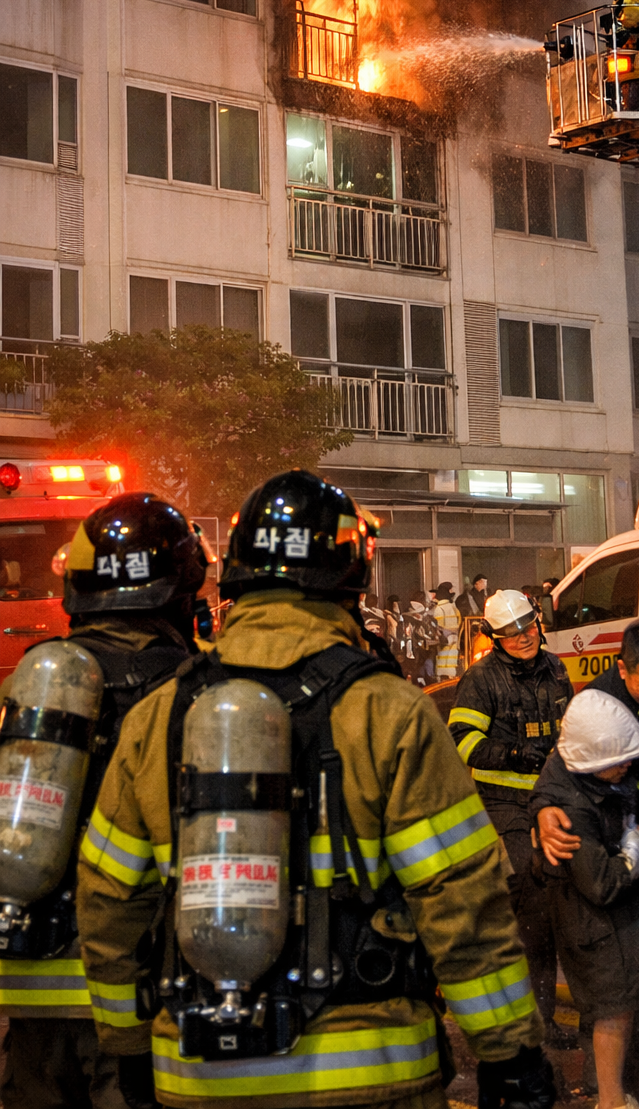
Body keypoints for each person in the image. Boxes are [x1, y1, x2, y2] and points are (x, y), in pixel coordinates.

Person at [77, 471, 555, 1109]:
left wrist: (130, 1049)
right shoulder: (390, 712)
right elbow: (463, 901)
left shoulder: (159, 716)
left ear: (236, 571)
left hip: (199, 1076)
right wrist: (509, 1054)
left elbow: (108, 903)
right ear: (351, 571)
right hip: (372, 1076)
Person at [0, 492, 207, 1109]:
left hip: (34, 983)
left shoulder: (32, 684)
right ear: (181, 589)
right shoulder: (199, 692)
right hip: (142, 982)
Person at [535, 621, 639, 1098]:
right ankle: (614, 1084)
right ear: (623, 670)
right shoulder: (600, 711)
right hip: (616, 860)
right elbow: (557, 773)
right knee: (610, 992)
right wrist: (542, 811)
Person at [448, 590, 573, 1045]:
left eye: (528, 626)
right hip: (503, 805)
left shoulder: (556, 669)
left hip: (551, 798)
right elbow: (462, 740)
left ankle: (538, 1014)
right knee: (532, 900)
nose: (523, 637)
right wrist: (515, 753)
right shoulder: (480, 680)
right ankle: (527, 1021)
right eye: (511, 632)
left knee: (556, 909)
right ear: (493, 637)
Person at [531, 691, 639, 1109]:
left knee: (618, 1009)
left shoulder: (572, 779)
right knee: (612, 1011)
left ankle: (614, 1096)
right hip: (596, 927)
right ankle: (611, 1101)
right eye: (617, 762)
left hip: (605, 926)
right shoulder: (573, 813)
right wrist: (632, 854)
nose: (626, 767)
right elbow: (600, 884)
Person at [432, 582, 460, 681]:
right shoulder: (453, 607)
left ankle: (441, 678)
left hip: (444, 637)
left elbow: (438, 625)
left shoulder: (439, 608)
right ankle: (451, 676)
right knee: (452, 656)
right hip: (454, 636)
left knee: (442, 657)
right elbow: (459, 620)